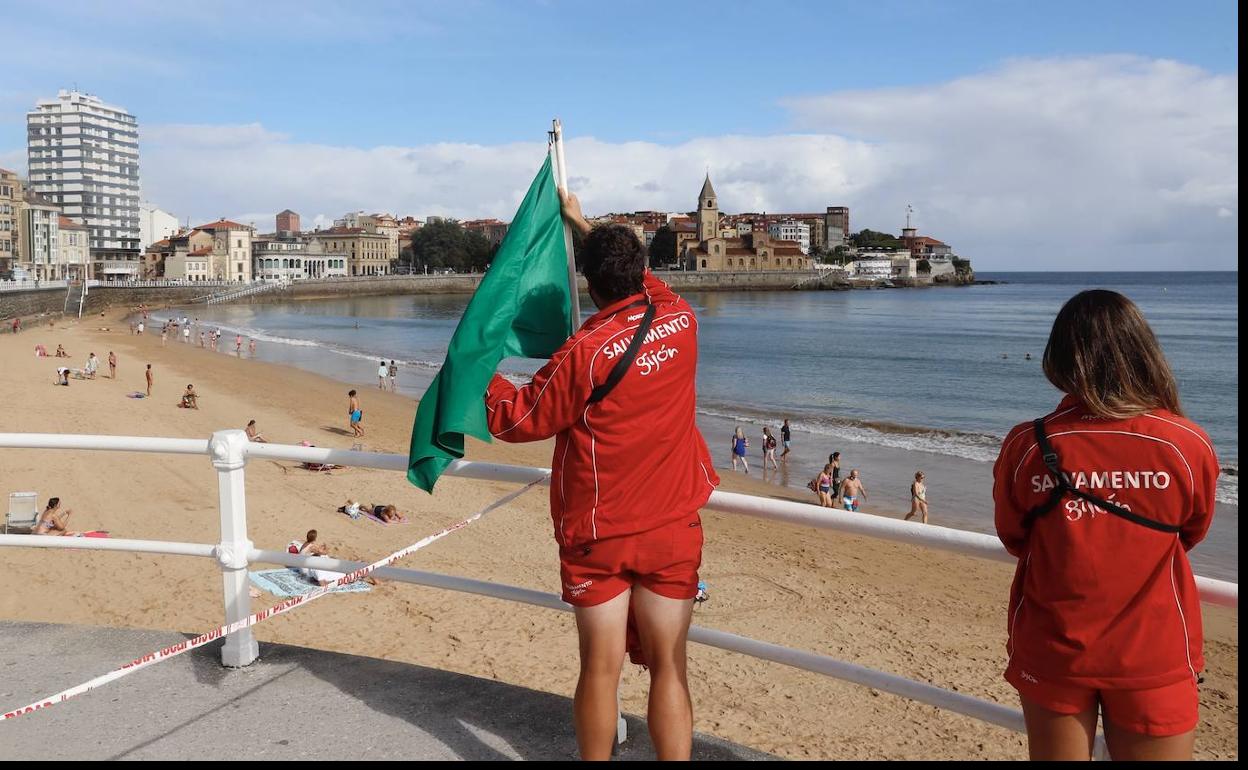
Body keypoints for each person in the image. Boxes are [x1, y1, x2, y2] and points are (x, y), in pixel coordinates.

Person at [483, 191, 718, 761]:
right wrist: (584, 221)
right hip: (670, 527)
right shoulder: (680, 318)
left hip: (600, 532)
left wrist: (479, 364)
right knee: (669, 667)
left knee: (600, 670)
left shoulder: (584, 351)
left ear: (589, 285)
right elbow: (649, 282)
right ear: (640, 273)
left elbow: (516, 418)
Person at [993, 290, 1219, 761]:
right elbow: (1192, 530)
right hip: (1153, 649)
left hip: (1054, 643)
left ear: (1060, 357)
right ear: (1143, 351)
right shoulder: (1186, 443)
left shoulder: (1029, 445)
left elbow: (1014, 534)